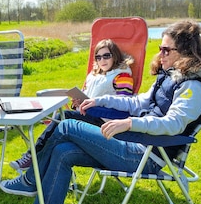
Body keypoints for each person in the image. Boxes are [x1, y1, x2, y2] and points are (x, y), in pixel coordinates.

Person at [0, 20, 201, 204]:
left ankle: (30, 180)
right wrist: (101, 101)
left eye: (167, 50)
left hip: (146, 156)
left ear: (186, 52)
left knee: (66, 126)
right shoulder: (169, 76)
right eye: (160, 48)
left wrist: (130, 122)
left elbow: (173, 124)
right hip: (132, 142)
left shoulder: (194, 87)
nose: (161, 54)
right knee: (61, 152)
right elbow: (138, 102)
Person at [9, 39, 134, 173]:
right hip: (88, 116)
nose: (102, 60)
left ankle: (32, 156)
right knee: (60, 131)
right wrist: (78, 103)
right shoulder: (93, 76)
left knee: (63, 116)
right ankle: (37, 167)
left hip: (105, 122)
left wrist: (93, 106)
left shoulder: (122, 76)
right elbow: (86, 98)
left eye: (106, 56)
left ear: (114, 56)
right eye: (98, 57)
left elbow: (123, 104)